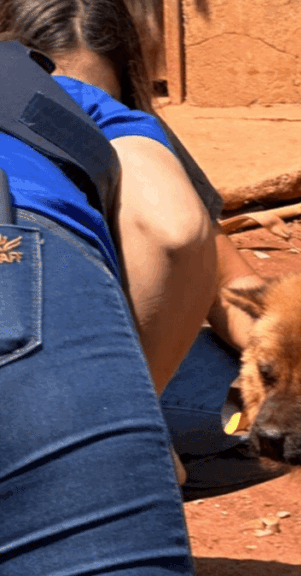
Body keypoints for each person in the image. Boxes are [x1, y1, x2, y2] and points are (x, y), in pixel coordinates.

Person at [0, 0, 284, 573]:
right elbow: (176, 232)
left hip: (79, 334)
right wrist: (133, 425)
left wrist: (289, 355)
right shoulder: (98, 120)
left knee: (268, 411)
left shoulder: (120, 125)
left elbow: (233, 286)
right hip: (48, 309)